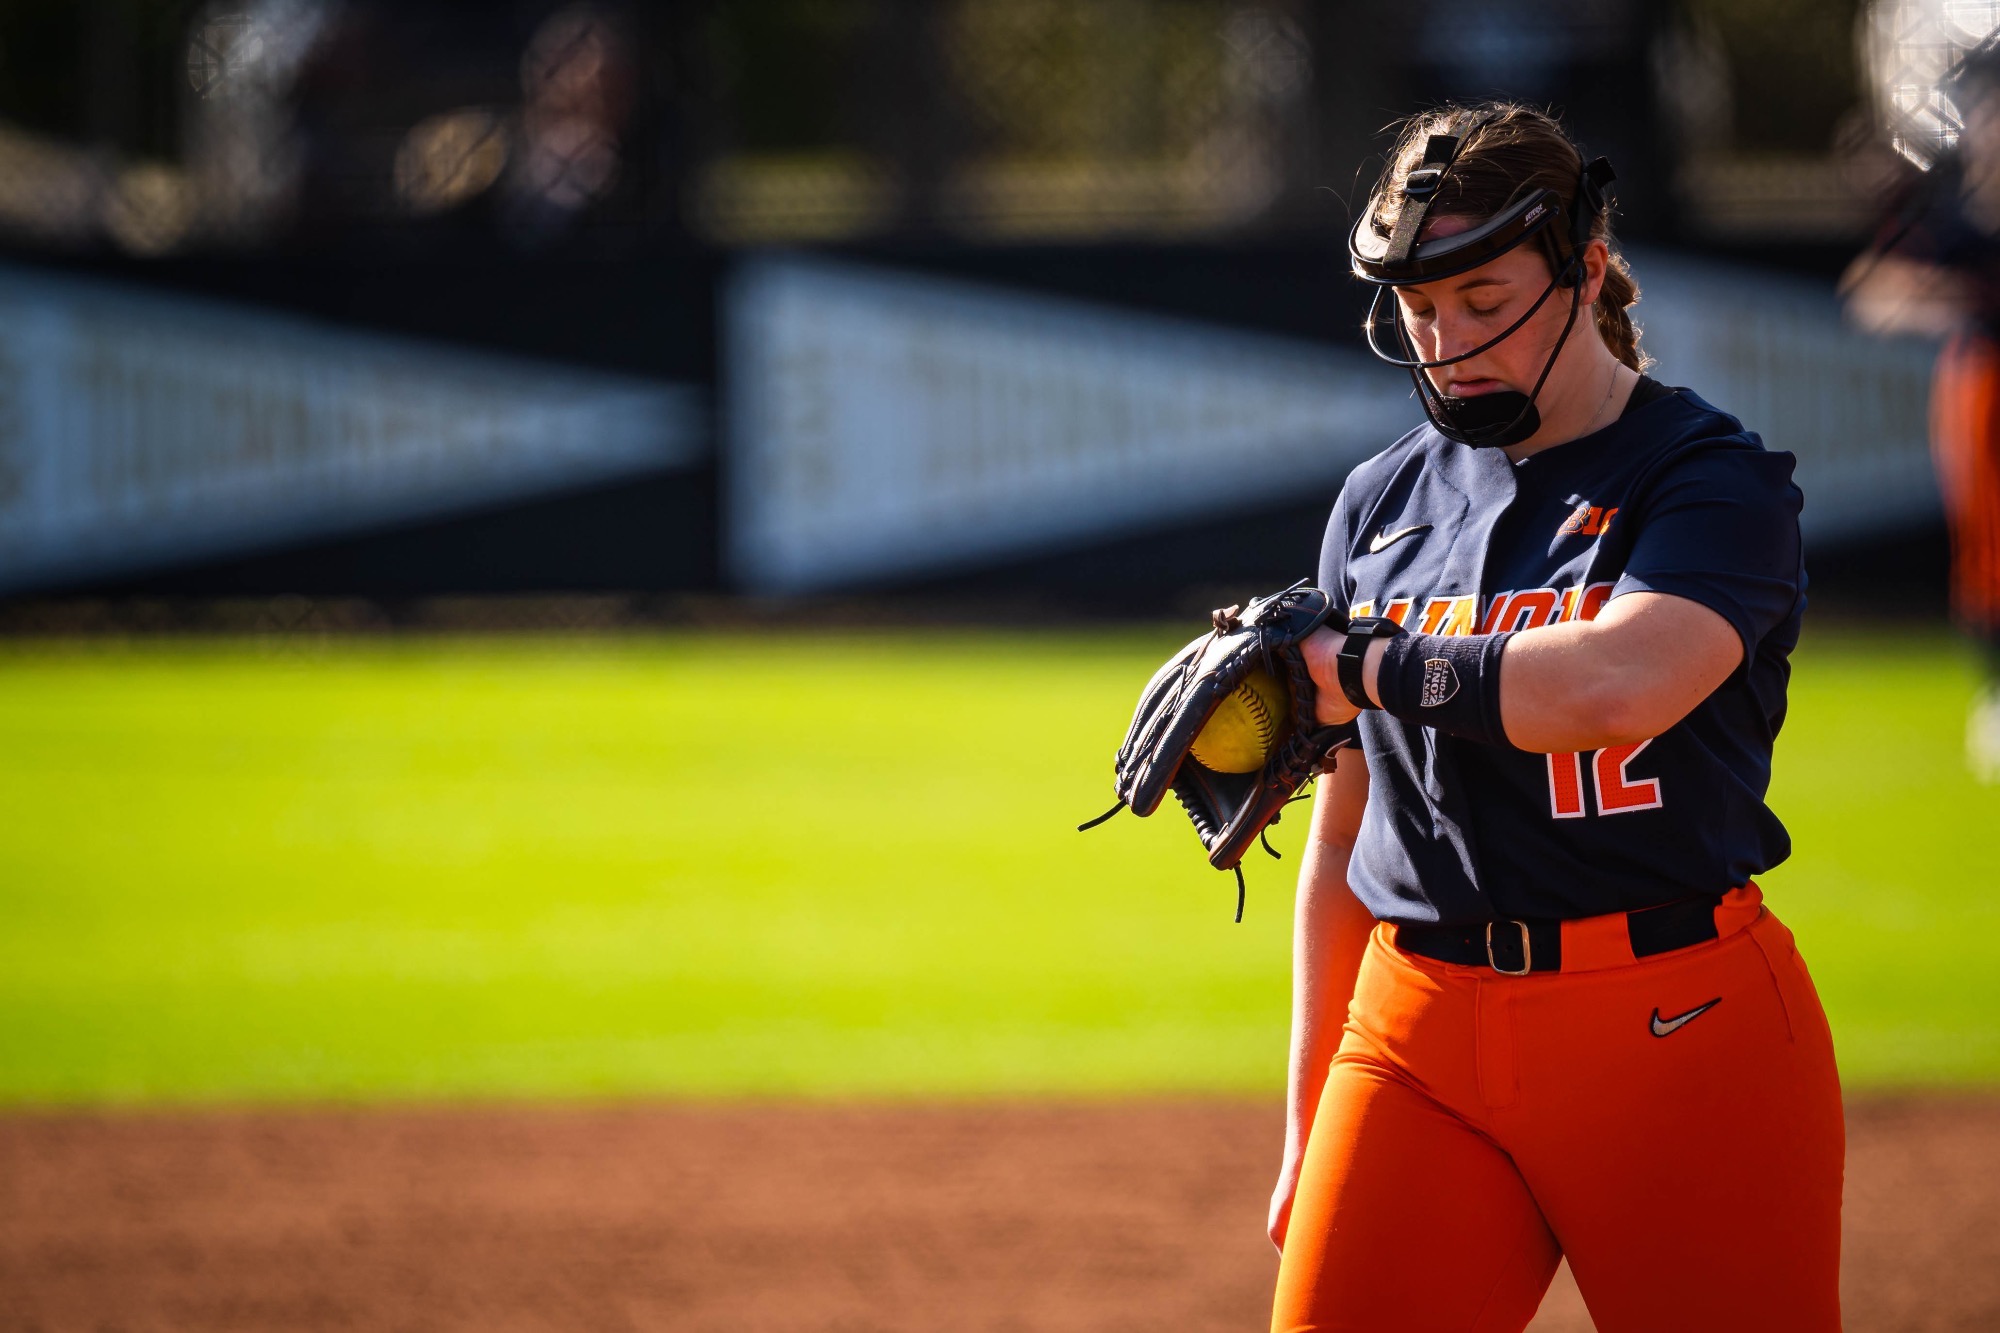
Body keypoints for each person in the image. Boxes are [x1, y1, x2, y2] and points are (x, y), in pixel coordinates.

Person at [1266, 103, 1843, 1332]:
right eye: (1419, 312)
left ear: (1584, 269)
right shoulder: (1379, 503)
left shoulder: (1705, 477)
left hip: (1671, 1027)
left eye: (1483, 300)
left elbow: (1613, 684)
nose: (1447, 342)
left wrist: (1369, 665)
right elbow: (1344, 831)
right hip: (1410, 1034)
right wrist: (1308, 1108)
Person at [1841, 49, 2000, 783]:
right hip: (1983, 374)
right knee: (1988, 543)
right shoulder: (1955, 218)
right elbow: (1871, 292)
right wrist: (1963, 299)